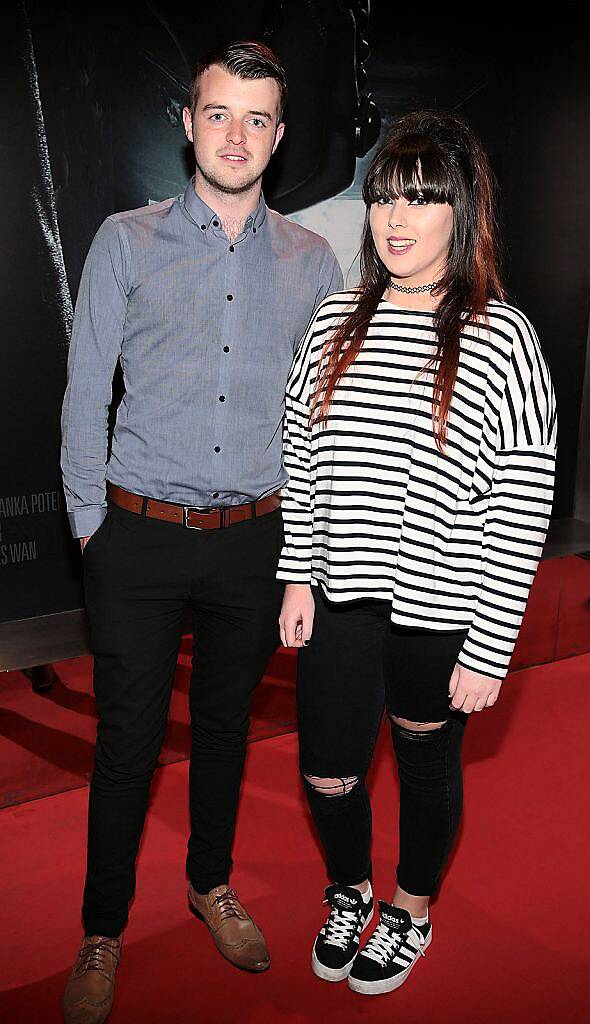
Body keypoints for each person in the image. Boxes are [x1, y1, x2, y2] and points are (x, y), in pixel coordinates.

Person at [60, 40, 342, 1024]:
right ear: (187, 122)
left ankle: (208, 882)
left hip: (254, 541)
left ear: (278, 135)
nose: (236, 135)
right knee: (126, 744)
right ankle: (102, 928)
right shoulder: (125, 241)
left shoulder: (314, 263)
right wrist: (93, 528)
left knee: (224, 730)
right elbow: (84, 390)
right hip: (135, 538)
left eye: (257, 119)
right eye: (219, 113)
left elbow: (316, 416)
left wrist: (300, 552)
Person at [278, 111, 556, 997]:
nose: (397, 219)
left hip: (443, 607)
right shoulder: (332, 320)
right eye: (385, 199)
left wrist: (491, 642)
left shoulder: (501, 335)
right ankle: (351, 889)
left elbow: (520, 499)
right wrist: (295, 570)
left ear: (462, 211)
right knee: (326, 768)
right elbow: (300, 451)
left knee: (426, 761)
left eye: (424, 198)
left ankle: (410, 906)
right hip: (338, 595)